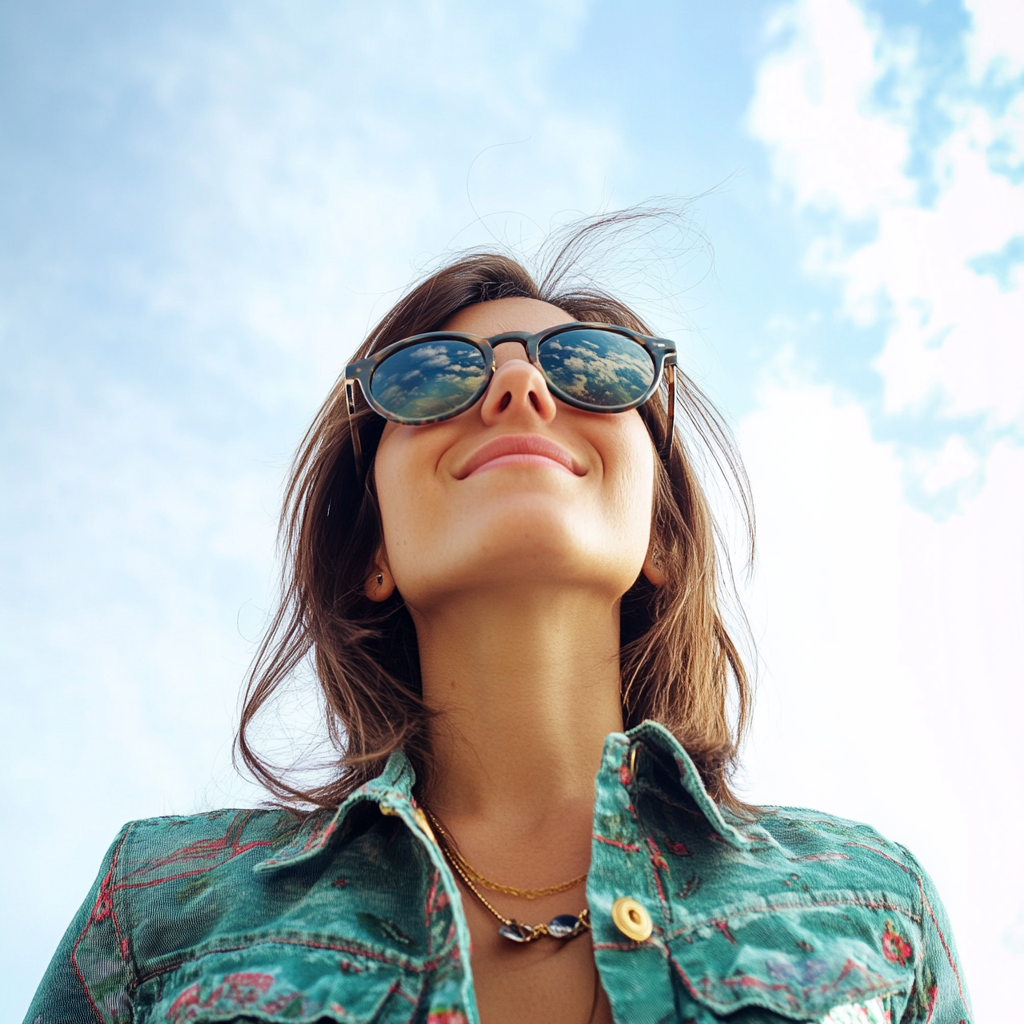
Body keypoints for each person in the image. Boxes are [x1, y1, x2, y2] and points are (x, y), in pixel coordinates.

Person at [26, 216, 971, 1024]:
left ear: (661, 542)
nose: (520, 389)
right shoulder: (154, 913)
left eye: (591, 370)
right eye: (436, 376)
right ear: (372, 555)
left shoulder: (876, 907)